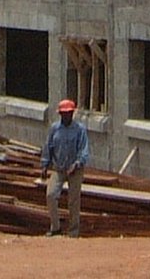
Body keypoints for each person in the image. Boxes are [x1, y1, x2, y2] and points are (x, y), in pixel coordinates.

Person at [40, 98, 89, 237]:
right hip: (59, 168)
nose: (66, 116)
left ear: (72, 114)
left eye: (68, 113)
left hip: (75, 169)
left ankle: (73, 231)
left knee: (73, 200)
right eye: (63, 113)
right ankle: (55, 227)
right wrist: (44, 165)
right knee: (51, 195)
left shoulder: (80, 130)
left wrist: (77, 164)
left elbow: (84, 151)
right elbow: (48, 147)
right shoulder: (55, 129)